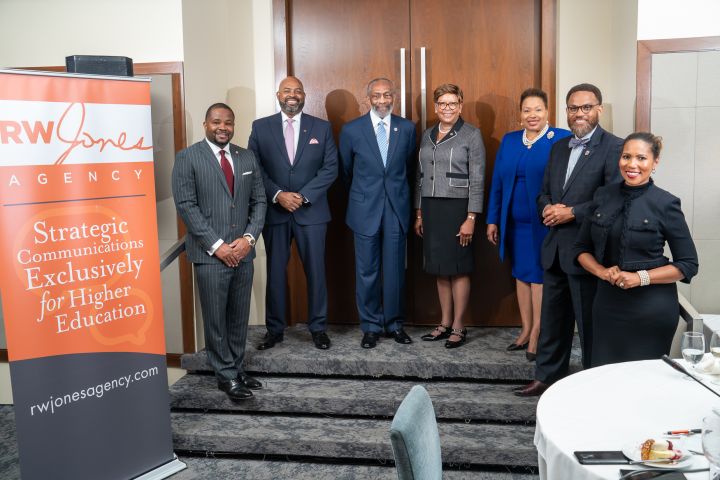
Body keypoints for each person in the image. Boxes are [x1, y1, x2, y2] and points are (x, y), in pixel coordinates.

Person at [515, 83, 623, 397]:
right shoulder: (559, 146)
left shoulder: (614, 147)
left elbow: (613, 199)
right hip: (555, 248)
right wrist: (547, 207)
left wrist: (573, 212)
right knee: (552, 321)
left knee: (589, 326)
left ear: (599, 109)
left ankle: (591, 387)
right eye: (573, 108)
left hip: (588, 251)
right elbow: (544, 190)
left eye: (586, 107)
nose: (579, 114)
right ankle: (546, 378)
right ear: (566, 111)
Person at [574, 132, 698, 366]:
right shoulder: (602, 195)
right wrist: (602, 272)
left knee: (644, 382)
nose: (632, 164)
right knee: (604, 376)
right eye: (626, 156)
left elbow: (688, 265)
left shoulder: (666, 203)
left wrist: (639, 278)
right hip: (607, 306)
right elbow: (581, 249)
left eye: (641, 158)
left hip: (651, 311)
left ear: (655, 162)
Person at [172, 103, 267, 401]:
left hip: (243, 252)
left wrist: (249, 239)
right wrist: (218, 246)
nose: (223, 127)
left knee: (238, 317)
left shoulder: (246, 155)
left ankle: (236, 368)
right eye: (216, 122)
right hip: (210, 255)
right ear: (205, 124)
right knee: (216, 319)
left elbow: (260, 201)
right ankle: (225, 375)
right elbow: (187, 206)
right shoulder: (188, 157)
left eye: (228, 122)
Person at [248, 76, 338, 351]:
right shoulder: (260, 127)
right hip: (275, 212)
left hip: (311, 212)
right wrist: (278, 195)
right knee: (275, 272)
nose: (292, 94)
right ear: (278, 94)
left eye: (298, 91)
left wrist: (303, 196)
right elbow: (255, 167)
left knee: (316, 272)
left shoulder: (321, 128)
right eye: (287, 90)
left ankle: (318, 328)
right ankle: (274, 330)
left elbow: (330, 167)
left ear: (304, 96)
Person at [486, 88, 571, 360]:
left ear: (547, 112)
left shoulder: (560, 139)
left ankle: (538, 332)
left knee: (539, 276)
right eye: (526, 110)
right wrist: (492, 219)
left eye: (537, 109)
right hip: (514, 222)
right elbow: (498, 183)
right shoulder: (510, 141)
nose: (532, 115)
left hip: (544, 223)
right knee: (521, 274)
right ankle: (524, 328)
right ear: (520, 114)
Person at [339, 78, 417, 349]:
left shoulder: (406, 128)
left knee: (395, 269)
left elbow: (408, 169)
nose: (382, 101)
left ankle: (394, 324)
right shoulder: (351, 130)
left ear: (393, 96)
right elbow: (346, 172)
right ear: (368, 99)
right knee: (367, 271)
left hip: (396, 208)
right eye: (376, 96)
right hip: (364, 209)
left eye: (387, 95)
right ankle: (371, 326)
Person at [414, 83, 485, 348]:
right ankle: (444, 323)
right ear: (435, 107)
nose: (447, 108)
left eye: (452, 103)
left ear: (460, 106)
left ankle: (459, 325)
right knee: (439, 269)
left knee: (458, 267)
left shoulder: (471, 135)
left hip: (458, 208)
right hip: (431, 208)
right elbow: (419, 177)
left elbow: (477, 179)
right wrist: (419, 212)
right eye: (442, 103)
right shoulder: (427, 134)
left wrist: (471, 217)